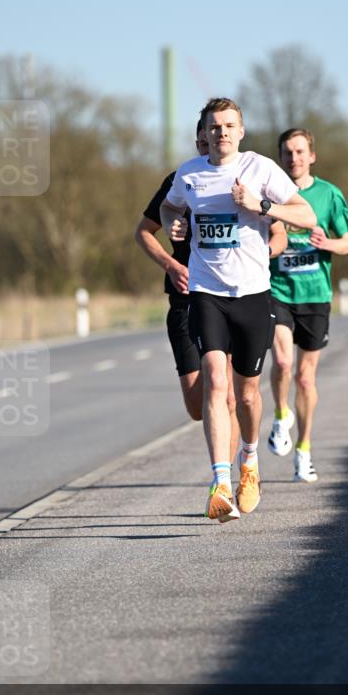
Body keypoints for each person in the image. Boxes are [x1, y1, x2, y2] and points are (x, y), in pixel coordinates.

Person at [160, 98, 316, 523]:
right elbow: (170, 207)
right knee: (215, 382)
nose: (222, 132)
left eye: (229, 125)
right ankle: (220, 482)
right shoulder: (188, 174)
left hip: (251, 295)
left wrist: (261, 206)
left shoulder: (261, 168)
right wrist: (173, 220)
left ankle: (249, 461)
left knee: (248, 393)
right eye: (215, 126)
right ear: (204, 133)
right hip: (206, 293)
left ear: (241, 131)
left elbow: (306, 213)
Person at [135, 121, 287, 458]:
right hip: (184, 297)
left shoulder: (246, 177)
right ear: (198, 142)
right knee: (196, 402)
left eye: (216, 139)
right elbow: (144, 231)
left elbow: (280, 233)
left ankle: (228, 481)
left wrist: (263, 252)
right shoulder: (182, 180)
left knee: (227, 393)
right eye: (204, 142)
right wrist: (171, 264)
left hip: (227, 295)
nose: (211, 148)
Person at [267, 128, 348, 483]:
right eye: (287, 152)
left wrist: (327, 243)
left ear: (312, 156)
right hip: (277, 290)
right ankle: (280, 414)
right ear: (280, 157)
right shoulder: (269, 194)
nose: (294, 158)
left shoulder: (329, 195)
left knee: (305, 377)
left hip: (316, 295)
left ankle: (303, 450)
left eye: (300, 152)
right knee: (284, 361)